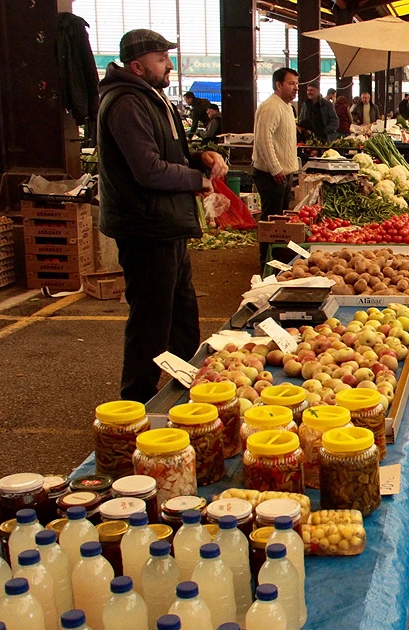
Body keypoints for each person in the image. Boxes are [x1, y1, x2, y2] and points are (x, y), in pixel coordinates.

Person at [97, 29, 227, 402]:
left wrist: (199, 157)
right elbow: (148, 170)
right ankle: (135, 403)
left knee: (181, 314)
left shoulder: (152, 99)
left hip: (166, 224)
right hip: (145, 226)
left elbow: (169, 156)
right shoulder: (126, 104)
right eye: (160, 58)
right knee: (151, 321)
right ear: (137, 66)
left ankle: (185, 392)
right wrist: (196, 178)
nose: (169, 64)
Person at [253, 67, 300, 266]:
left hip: (284, 173)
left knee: (280, 221)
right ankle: (266, 262)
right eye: (291, 83)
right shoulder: (271, 107)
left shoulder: (287, 107)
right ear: (278, 85)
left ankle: (277, 260)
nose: (296, 88)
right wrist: (275, 168)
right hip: (271, 174)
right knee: (271, 222)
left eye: (297, 84)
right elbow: (264, 140)